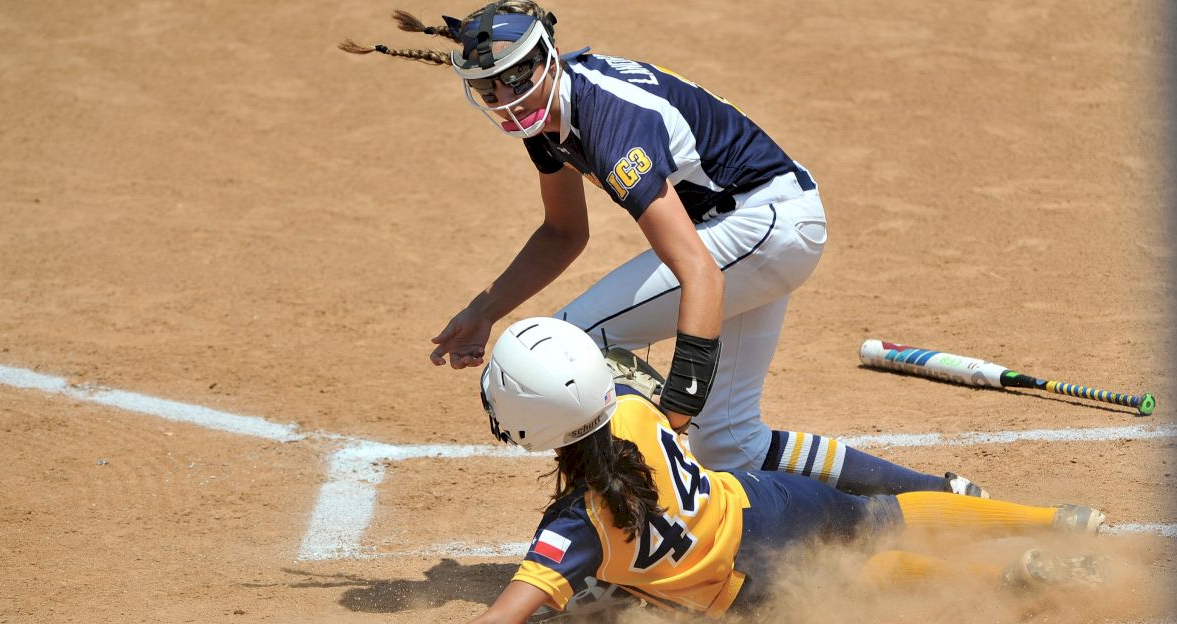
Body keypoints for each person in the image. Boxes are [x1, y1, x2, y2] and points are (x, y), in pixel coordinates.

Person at [339, 2, 986, 498]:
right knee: (729, 441)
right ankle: (942, 498)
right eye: (491, 90)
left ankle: (616, 538)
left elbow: (698, 270)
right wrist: (487, 308)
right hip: (754, 229)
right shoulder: (547, 116)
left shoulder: (611, 125)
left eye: (516, 80)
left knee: (569, 341)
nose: (508, 101)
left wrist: (679, 401)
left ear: (547, 58)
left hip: (764, 225)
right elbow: (565, 233)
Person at [410, 318, 1108, 624]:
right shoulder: (629, 405)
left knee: (858, 580)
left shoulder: (575, 528)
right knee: (879, 517)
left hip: (751, 589)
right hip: (772, 502)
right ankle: (1053, 519)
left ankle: (1009, 576)